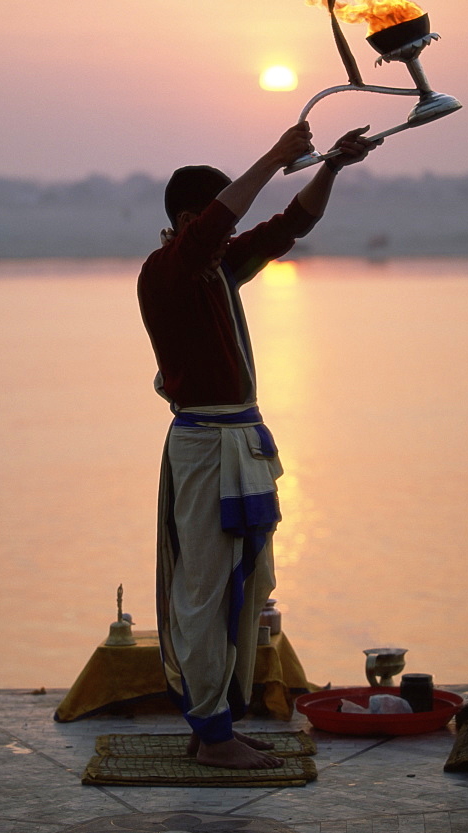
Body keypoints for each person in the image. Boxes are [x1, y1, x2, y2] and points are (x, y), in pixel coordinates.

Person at [137, 120, 378, 770]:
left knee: (240, 587)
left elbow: (288, 226)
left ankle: (212, 723)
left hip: (237, 443)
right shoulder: (168, 270)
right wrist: (275, 154)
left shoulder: (214, 271)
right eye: (212, 221)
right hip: (206, 447)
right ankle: (214, 736)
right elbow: (223, 225)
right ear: (189, 219)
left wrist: (329, 166)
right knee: (204, 589)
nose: (226, 235)